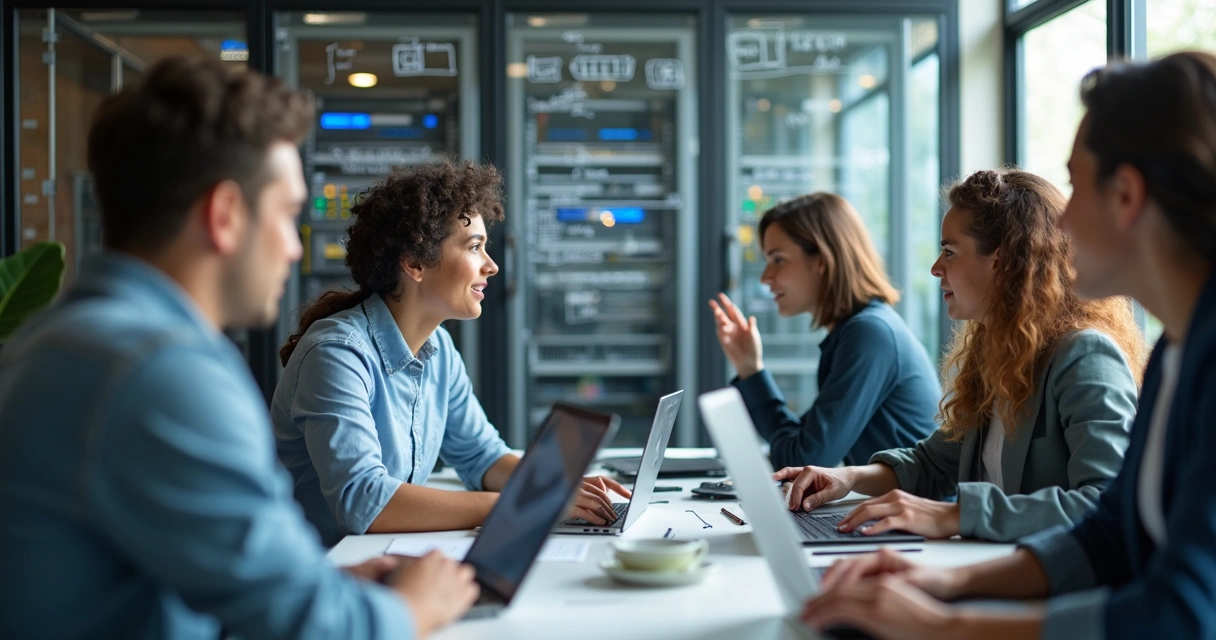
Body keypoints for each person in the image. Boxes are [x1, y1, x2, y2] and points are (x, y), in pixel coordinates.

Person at [0, 57, 477, 639]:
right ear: (225, 215)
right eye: (285, 215)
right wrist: (415, 605)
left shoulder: (73, 340)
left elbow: (196, 575)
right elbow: (316, 630)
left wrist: (330, 586)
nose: (293, 249)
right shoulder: (161, 371)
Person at [799, 50, 1216, 640]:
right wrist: (947, 586)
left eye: (1076, 187)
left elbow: (1180, 614)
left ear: (1126, 195)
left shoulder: (1120, 356)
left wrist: (948, 625)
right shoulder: (1180, 352)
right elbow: (1108, 536)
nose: (1062, 227)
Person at [777, 169, 1144, 543]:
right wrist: (847, 478)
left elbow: (1105, 502)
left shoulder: (1084, 355)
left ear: (1001, 261)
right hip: (987, 564)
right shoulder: (997, 355)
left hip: (1047, 584)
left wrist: (957, 515)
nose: (936, 267)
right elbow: (933, 463)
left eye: (950, 252)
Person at [274, 162, 630, 547]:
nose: (491, 266)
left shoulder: (439, 348)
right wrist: (523, 503)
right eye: (474, 247)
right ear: (414, 263)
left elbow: (482, 456)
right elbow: (364, 503)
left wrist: (555, 484)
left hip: (376, 560)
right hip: (317, 576)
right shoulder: (337, 354)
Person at [710, 192, 941, 469]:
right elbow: (800, 448)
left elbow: (803, 460)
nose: (765, 277)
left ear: (821, 259)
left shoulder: (869, 334)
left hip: (911, 511)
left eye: (778, 259)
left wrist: (754, 375)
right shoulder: (858, 331)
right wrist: (749, 367)